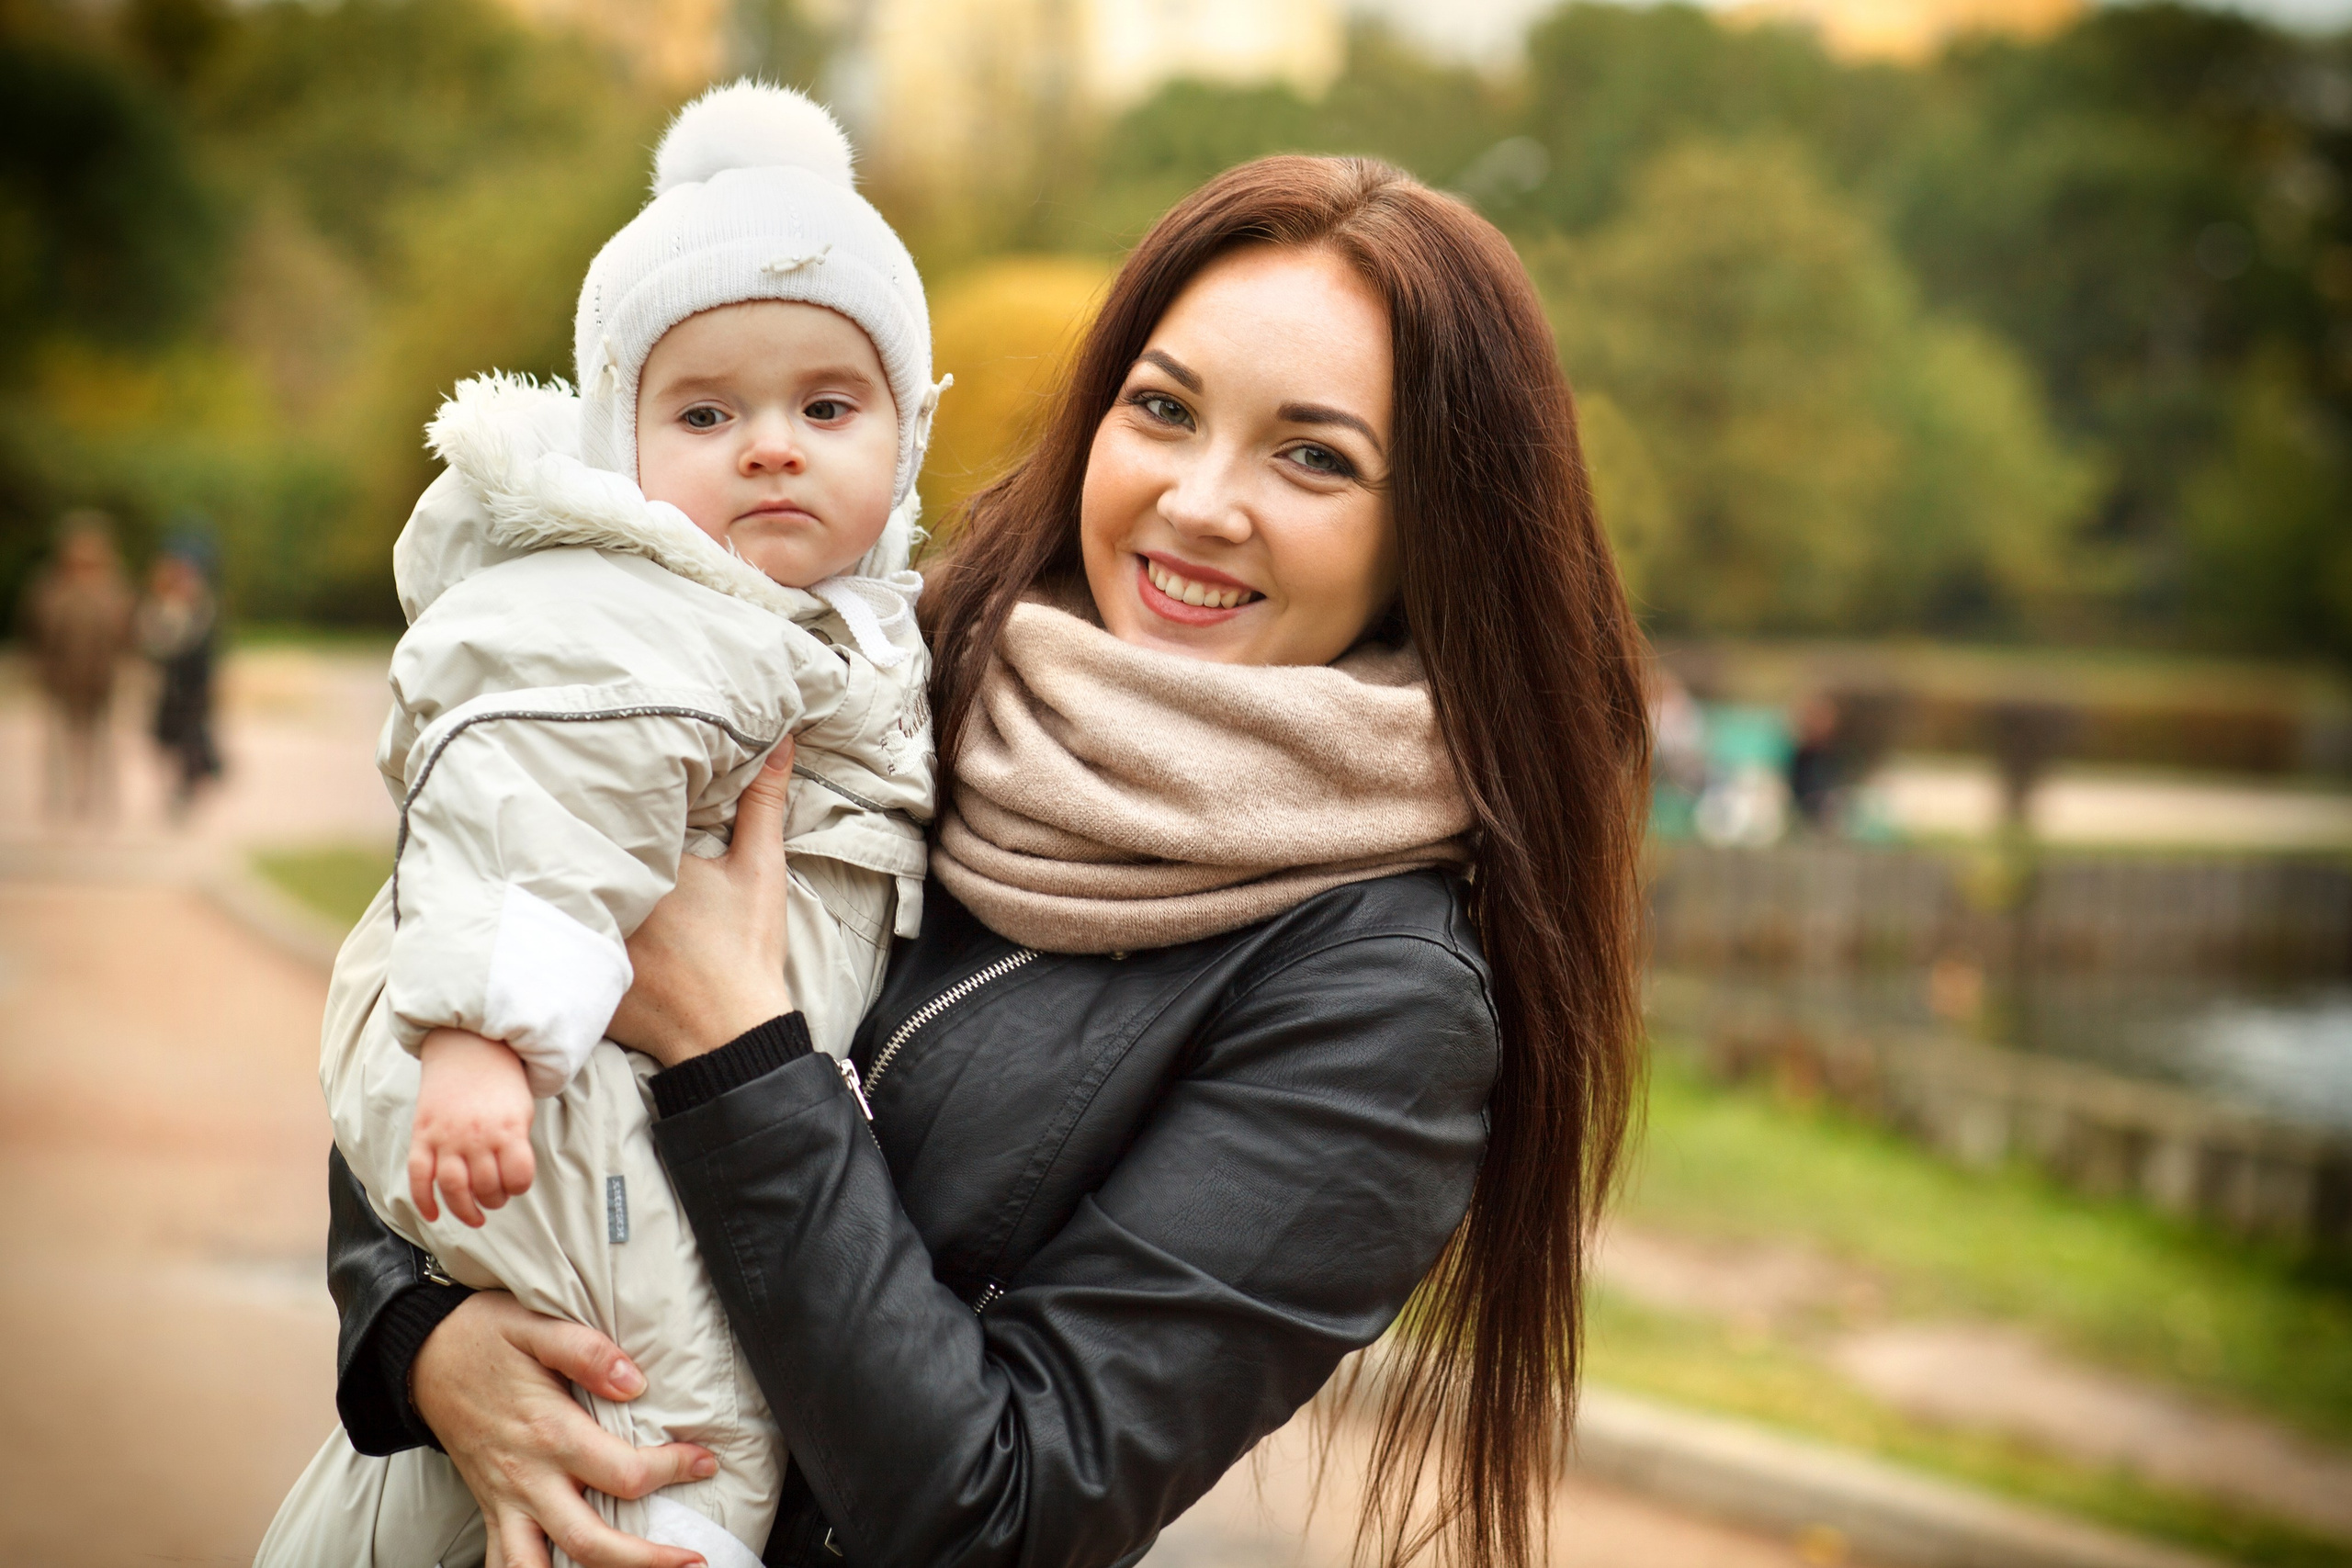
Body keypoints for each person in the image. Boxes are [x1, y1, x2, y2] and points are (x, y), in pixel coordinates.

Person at [311, 154, 1649, 1568]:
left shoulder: (1387, 1007)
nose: (1199, 500)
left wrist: (735, 1046)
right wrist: (418, 1331)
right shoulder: (881, 674)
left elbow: (1002, 1515)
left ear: (1435, 530)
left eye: (1313, 454)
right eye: (1164, 408)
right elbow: (457, 941)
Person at [257, 84, 946, 1568]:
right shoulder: (623, 611)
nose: (770, 446)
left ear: (906, 436)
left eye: (827, 406)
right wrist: (482, 1039)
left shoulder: (845, 633)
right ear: (618, 442)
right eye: (707, 412)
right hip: (571, 1109)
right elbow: (517, 790)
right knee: (653, 1381)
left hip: (689, 1100)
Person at [20, 511, 133, 824]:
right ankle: (58, 799)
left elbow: (124, 635)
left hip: (101, 680)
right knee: (59, 743)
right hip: (61, 680)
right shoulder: (51, 590)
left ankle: (102, 801)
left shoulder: (114, 590)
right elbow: (39, 633)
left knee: (103, 743)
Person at [135, 539, 223, 819]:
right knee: (164, 743)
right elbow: (149, 647)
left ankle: (184, 792)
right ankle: (176, 790)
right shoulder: (156, 610)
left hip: (193, 691)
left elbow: (209, 652)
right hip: (165, 690)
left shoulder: (204, 611)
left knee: (190, 745)